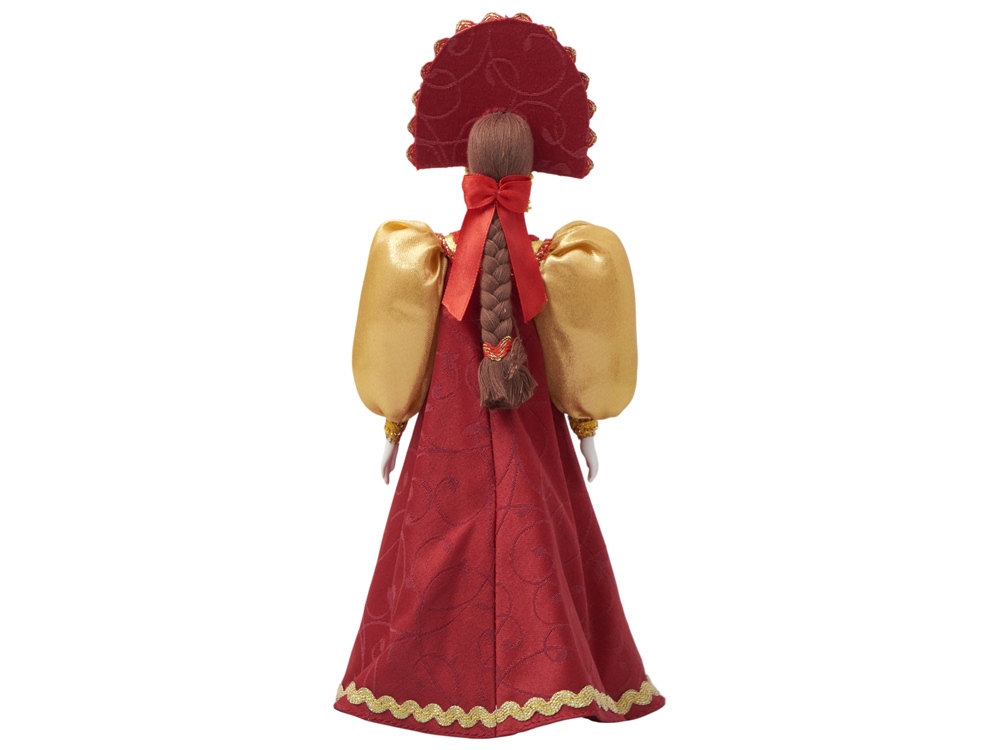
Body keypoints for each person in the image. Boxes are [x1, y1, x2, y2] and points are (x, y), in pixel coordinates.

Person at [334, 15, 664, 739]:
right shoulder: (558, 264)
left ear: (467, 173)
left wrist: (392, 425)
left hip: (443, 449)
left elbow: (399, 351)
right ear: (528, 180)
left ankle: (416, 675)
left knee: (432, 548)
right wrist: (585, 426)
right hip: (532, 440)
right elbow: (583, 353)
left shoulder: (427, 261)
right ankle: (552, 674)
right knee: (540, 541)